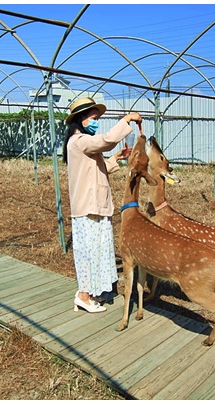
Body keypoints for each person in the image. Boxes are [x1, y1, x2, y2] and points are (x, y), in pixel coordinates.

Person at [63, 97, 141, 313]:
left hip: (95, 206)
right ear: (81, 119)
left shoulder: (82, 144)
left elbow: (96, 170)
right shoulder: (78, 141)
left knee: (97, 250)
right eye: (94, 118)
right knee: (89, 252)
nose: (97, 122)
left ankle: (93, 292)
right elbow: (106, 140)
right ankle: (84, 295)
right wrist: (127, 119)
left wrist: (115, 158)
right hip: (88, 208)